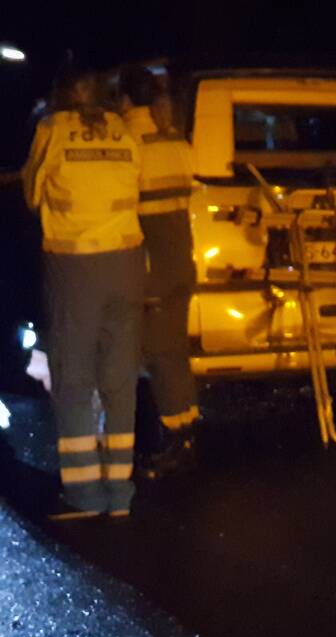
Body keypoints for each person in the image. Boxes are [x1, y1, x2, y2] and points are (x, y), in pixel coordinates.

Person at [22, 67, 144, 519]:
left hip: (75, 265)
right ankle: (120, 494)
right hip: (128, 262)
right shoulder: (122, 129)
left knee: (73, 380)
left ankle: (85, 495)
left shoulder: (52, 129)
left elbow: (33, 193)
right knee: (120, 380)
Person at [119, 65, 199, 479]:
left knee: (160, 355)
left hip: (153, 268)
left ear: (127, 99)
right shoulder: (175, 139)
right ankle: (185, 430)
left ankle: (177, 440)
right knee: (175, 351)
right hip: (181, 261)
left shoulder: (129, 140)